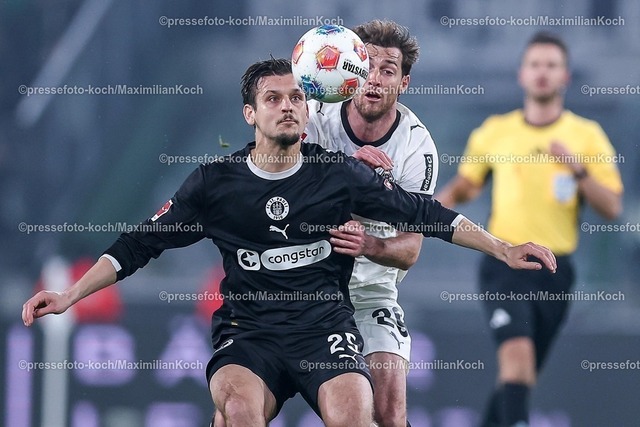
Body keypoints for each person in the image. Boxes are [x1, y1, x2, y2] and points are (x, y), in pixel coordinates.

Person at [22, 58, 557, 427]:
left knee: (357, 414)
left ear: (307, 110)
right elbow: (139, 245)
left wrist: (503, 248)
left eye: (297, 97)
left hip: (324, 330)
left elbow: (425, 213)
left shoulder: (339, 176)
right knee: (237, 411)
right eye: (272, 98)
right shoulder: (215, 184)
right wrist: (69, 295)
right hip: (249, 333)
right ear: (250, 114)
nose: (287, 106)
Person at [436, 32, 623, 427]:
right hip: (506, 263)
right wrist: (423, 212)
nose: (542, 72)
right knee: (517, 362)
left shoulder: (586, 135)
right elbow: (467, 185)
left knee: (519, 377)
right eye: (535, 64)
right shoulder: (496, 131)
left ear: (565, 76)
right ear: (522, 74)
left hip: (555, 270)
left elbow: (612, 207)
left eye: (551, 65)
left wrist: (578, 169)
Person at [304, 20, 432, 427]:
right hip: (302, 284)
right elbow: (278, 197)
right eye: (367, 67)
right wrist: (345, 171)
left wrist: (369, 246)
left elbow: (410, 251)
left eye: (387, 70)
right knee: (241, 403)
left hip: (370, 291)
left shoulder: (416, 147)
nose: (374, 79)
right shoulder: (312, 118)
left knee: (390, 412)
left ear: (403, 83)